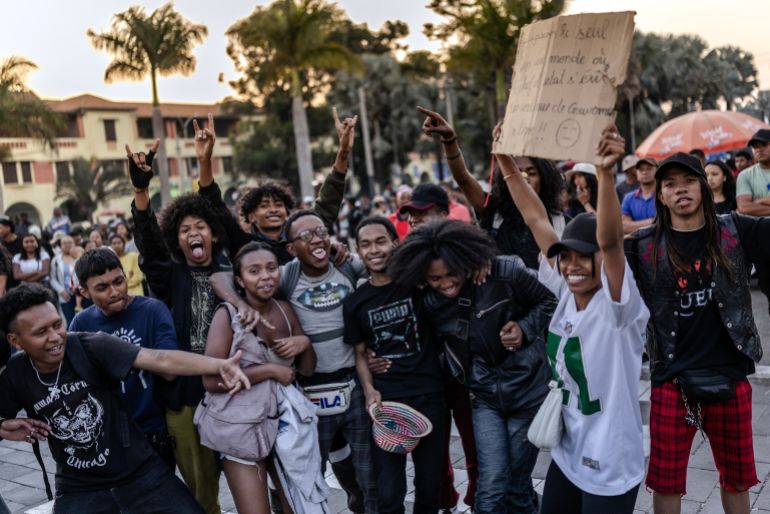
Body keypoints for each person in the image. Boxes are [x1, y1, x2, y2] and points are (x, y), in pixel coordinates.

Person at [498, 125, 649, 514]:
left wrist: (604, 173)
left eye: (585, 255)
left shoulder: (618, 307)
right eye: (566, 256)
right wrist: (505, 163)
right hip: (568, 452)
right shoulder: (565, 290)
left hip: (610, 461)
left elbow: (612, 242)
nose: (572, 265)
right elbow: (535, 219)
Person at [0, 283, 250, 514]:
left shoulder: (91, 346)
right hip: (79, 487)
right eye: (40, 332)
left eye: (57, 324)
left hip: (140, 473)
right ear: (15, 341)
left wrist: (218, 365)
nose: (55, 337)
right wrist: (2, 427)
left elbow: (160, 359)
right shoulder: (15, 374)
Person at [626, 151, 769, 514]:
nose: (680, 189)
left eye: (688, 180)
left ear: (703, 186)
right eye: (670, 184)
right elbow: (603, 247)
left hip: (729, 371)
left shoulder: (735, 229)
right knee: (666, 481)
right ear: (660, 195)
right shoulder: (642, 246)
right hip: (672, 377)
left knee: (738, 478)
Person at [388, 219, 557, 514]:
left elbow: (550, 302)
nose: (445, 284)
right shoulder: (428, 301)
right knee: (490, 485)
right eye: (434, 278)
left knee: (517, 485)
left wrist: (524, 327)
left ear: (466, 259)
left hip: (528, 391)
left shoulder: (505, 271)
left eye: (451, 273)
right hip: (484, 397)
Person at [128, 138, 232, 514]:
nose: (193, 233)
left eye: (200, 226)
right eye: (185, 228)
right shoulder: (171, 276)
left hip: (236, 393)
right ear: (179, 239)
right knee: (203, 496)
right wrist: (141, 191)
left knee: (258, 475)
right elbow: (150, 246)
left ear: (214, 234)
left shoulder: (236, 272)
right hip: (185, 399)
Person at [343, 216, 446, 514]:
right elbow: (360, 354)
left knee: (429, 488)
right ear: (358, 251)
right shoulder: (355, 303)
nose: (374, 249)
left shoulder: (417, 284)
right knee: (389, 492)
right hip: (387, 405)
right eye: (365, 244)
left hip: (430, 397)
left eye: (380, 241)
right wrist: (369, 390)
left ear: (394, 243)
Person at [204, 242, 317, 514]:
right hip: (241, 426)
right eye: (254, 271)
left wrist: (304, 343)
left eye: (270, 268)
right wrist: (269, 371)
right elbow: (211, 381)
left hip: (286, 424)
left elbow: (307, 369)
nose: (265, 276)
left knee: (298, 507)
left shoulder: (285, 310)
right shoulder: (227, 315)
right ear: (240, 280)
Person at [415, 106, 566, 269]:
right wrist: (449, 140)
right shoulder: (493, 210)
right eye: (517, 173)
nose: (524, 180)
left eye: (531, 173)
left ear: (545, 178)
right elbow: (463, 178)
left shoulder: (561, 223)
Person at [69, 248, 178, 468]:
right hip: (109, 433)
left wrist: (120, 354)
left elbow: (170, 369)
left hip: (154, 429)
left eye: (118, 281)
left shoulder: (153, 311)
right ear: (84, 291)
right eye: (102, 287)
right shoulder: (81, 325)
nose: (114, 291)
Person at [736, 128, 770, 314]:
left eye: (763, 145)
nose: (758, 149)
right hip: (762, 240)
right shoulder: (746, 175)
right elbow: (745, 207)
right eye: (755, 147)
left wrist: (760, 201)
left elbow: (751, 206)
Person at [621, 157, 658, 235]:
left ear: (657, 171)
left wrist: (633, 225)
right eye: (641, 169)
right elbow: (624, 226)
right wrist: (652, 221)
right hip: (635, 245)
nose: (645, 172)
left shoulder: (663, 196)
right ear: (637, 173)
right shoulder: (628, 198)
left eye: (649, 168)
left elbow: (663, 223)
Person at [49, 235, 78, 324]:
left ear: (74, 244)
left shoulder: (80, 257)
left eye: (70, 242)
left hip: (80, 295)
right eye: (64, 243)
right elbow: (52, 279)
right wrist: (61, 291)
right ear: (60, 246)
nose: (67, 245)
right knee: (70, 321)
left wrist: (78, 287)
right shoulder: (56, 260)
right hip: (65, 296)